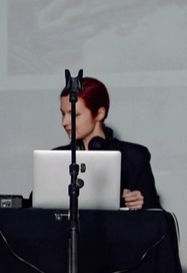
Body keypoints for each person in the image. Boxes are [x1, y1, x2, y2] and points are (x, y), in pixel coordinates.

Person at [57, 76, 160, 210]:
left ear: (99, 114)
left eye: (74, 115)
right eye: (63, 114)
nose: (64, 122)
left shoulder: (134, 157)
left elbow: (156, 214)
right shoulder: (55, 157)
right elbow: (34, 207)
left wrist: (140, 203)